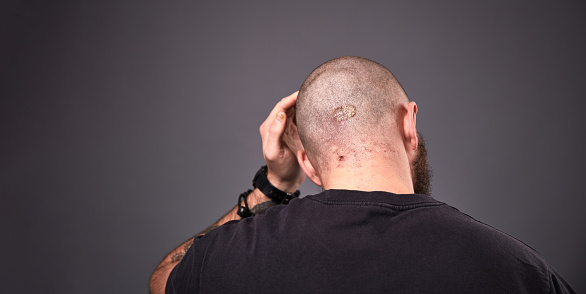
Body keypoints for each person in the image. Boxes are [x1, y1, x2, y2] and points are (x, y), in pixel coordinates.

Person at [149, 56, 575, 293]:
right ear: (409, 124)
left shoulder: (230, 258)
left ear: (308, 163)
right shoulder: (517, 270)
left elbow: (162, 280)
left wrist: (274, 186)